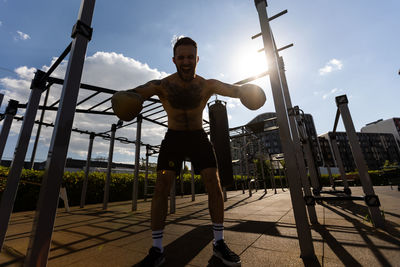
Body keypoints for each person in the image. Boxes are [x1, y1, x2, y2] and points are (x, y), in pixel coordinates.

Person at [112, 37, 265, 267]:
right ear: (174, 60)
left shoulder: (207, 85)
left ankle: (219, 242)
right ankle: (156, 250)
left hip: (197, 137)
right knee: (162, 187)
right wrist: (128, 98)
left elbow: (233, 89)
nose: (186, 61)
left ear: (197, 59)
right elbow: (135, 93)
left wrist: (246, 91)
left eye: (190, 57)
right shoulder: (161, 85)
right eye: (181, 57)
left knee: (214, 183)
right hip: (174, 138)